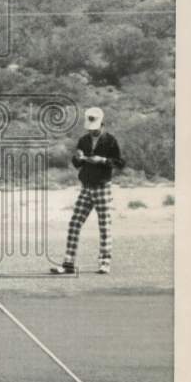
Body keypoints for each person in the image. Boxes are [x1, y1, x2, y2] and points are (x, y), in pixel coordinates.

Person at [50, 107, 125, 275]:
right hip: (86, 187)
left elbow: (120, 162)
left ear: (102, 125)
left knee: (104, 225)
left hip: (102, 187)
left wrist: (104, 160)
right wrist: (77, 158)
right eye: (90, 129)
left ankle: (105, 262)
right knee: (75, 224)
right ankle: (68, 263)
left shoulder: (110, 141)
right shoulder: (83, 140)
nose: (92, 131)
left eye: (95, 129)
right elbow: (78, 163)